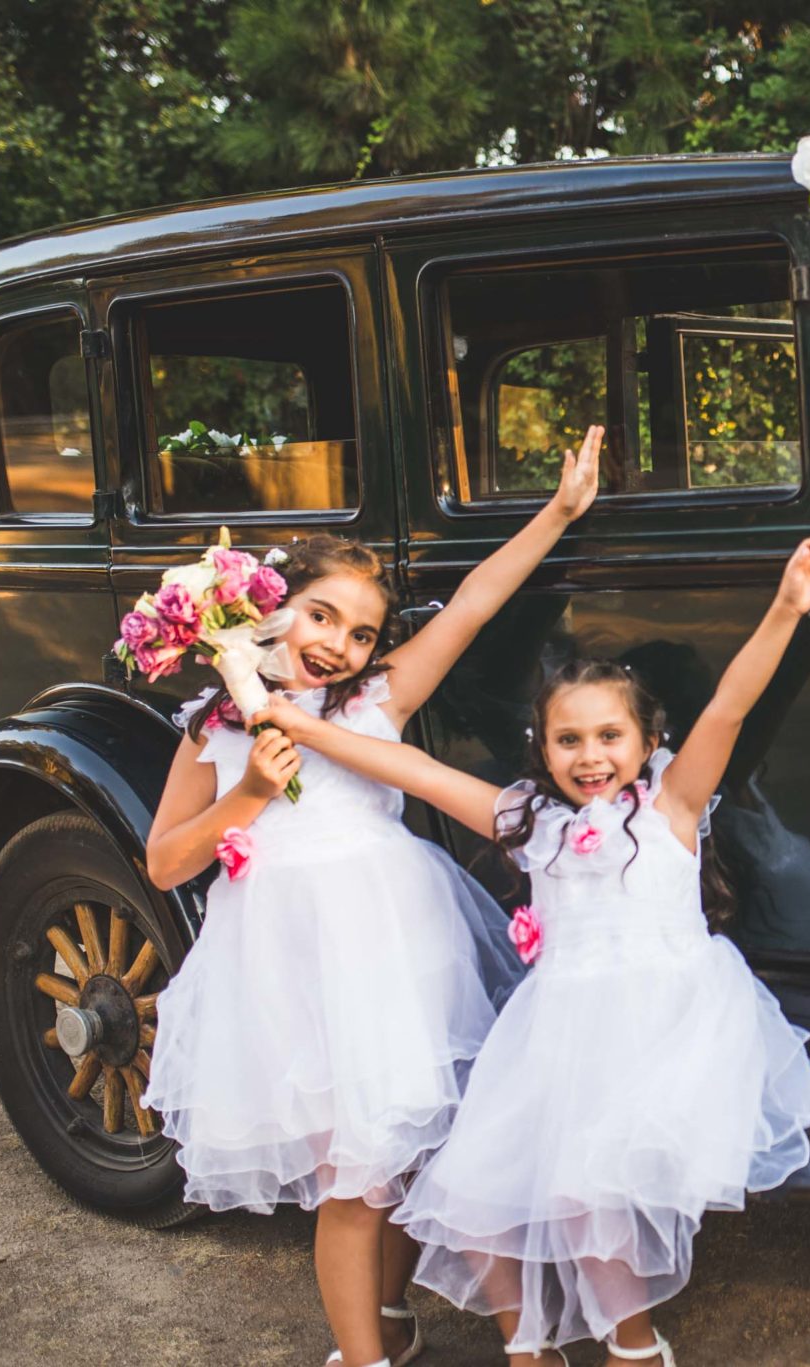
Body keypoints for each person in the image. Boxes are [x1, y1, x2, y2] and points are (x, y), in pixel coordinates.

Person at [251, 537, 810, 1367]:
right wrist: (295, 721)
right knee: (473, 1197)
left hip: (660, 1024)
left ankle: (633, 1345)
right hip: (558, 1033)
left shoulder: (672, 810)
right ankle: (528, 1344)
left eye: (609, 736)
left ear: (648, 741)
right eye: (568, 740)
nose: (590, 756)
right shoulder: (529, 822)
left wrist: (788, 606)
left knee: (592, 1201)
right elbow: (411, 768)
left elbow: (729, 705)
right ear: (540, 749)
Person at [141, 428, 607, 1367]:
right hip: (291, 973)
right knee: (351, 1182)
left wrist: (557, 511)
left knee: (417, 1148)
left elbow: (472, 608)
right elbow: (163, 864)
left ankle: (415, 1318)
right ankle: (363, 1355)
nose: (338, 646)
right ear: (267, 612)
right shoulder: (214, 730)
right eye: (320, 617)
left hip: (398, 954)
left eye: (359, 632)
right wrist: (248, 796)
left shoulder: (375, 705)